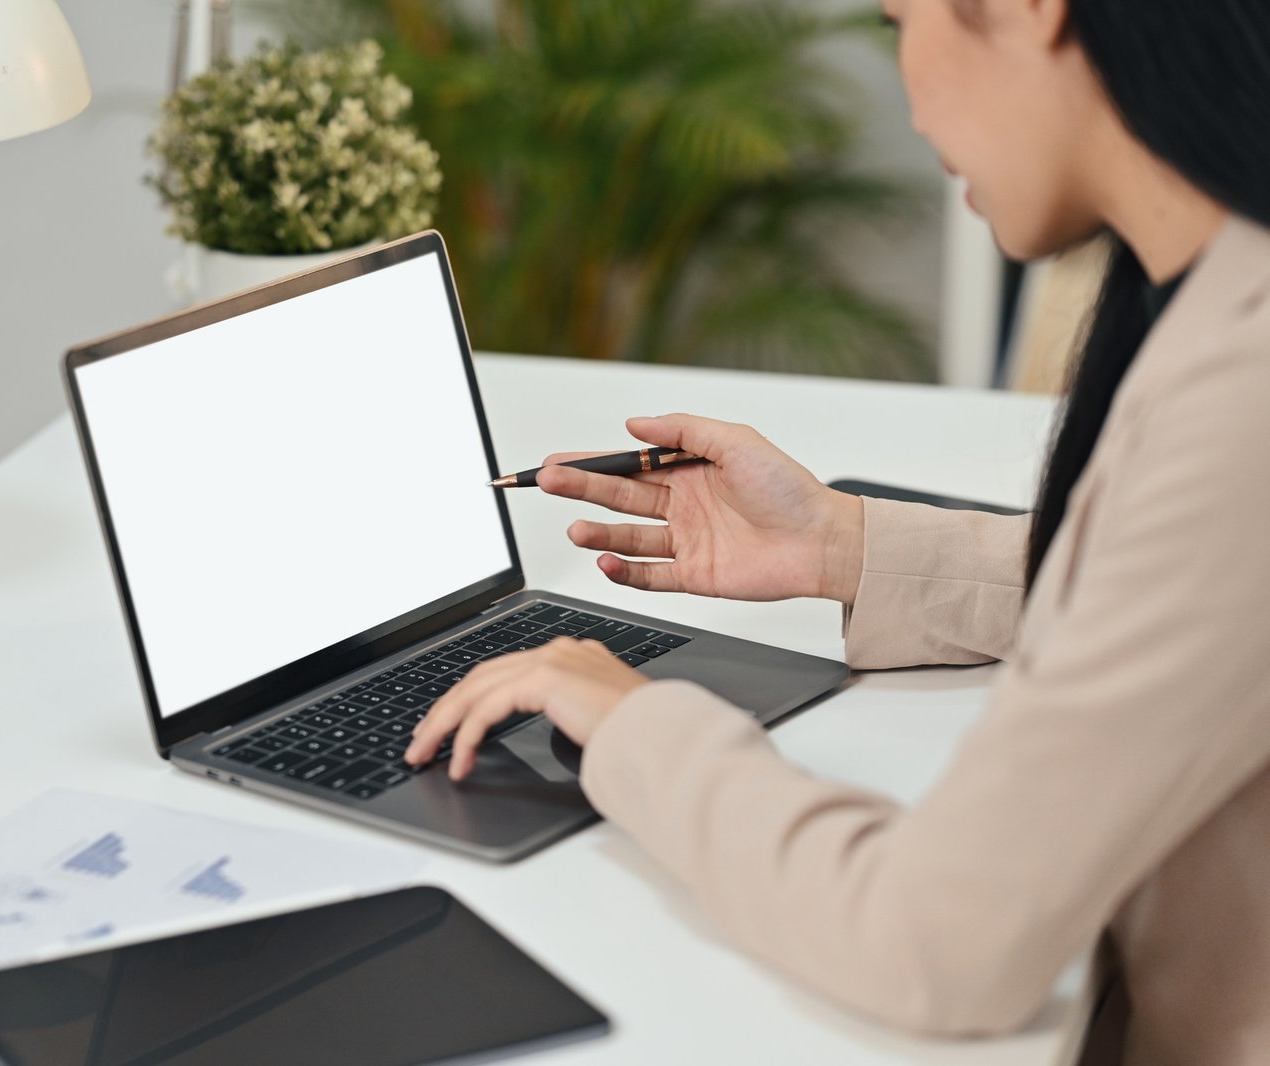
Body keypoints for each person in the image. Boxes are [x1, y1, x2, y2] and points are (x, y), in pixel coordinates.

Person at [404, 0, 1270, 1062]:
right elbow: (1185, 588)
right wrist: (840, 544)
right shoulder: (1221, 295)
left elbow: (935, 942)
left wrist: (634, 724)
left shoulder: (1242, 394)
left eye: (898, 15)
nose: (906, 99)